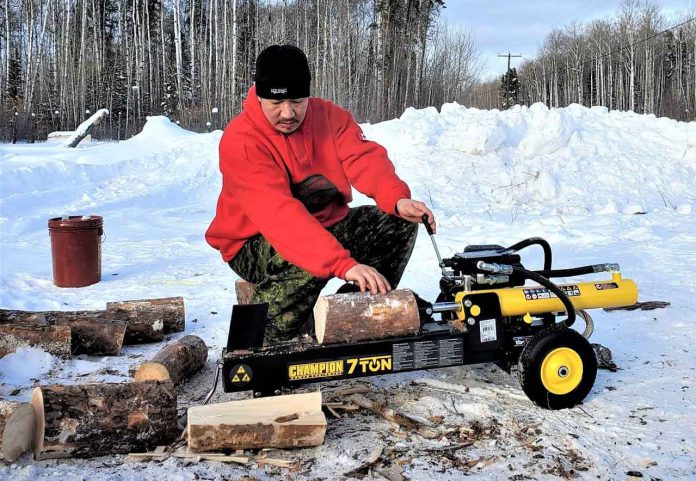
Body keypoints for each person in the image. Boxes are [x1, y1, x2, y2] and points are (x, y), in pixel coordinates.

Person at [206, 44, 436, 343]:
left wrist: (396, 198)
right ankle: (269, 328)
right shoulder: (242, 140)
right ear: (259, 95)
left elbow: (364, 159)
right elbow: (281, 218)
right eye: (276, 102)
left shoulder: (329, 116)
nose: (288, 113)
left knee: (398, 221)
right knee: (303, 257)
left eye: (297, 101)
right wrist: (344, 264)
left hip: (321, 225)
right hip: (254, 241)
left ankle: (353, 311)